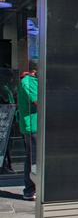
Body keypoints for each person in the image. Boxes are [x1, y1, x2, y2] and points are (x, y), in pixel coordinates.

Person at [17, 60, 37, 201]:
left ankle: (34, 188)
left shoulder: (34, 81)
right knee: (33, 158)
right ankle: (29, 190)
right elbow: (38, 101)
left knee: (34, 157)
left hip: (38, 124)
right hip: (32, 126)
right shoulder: (28, 82)